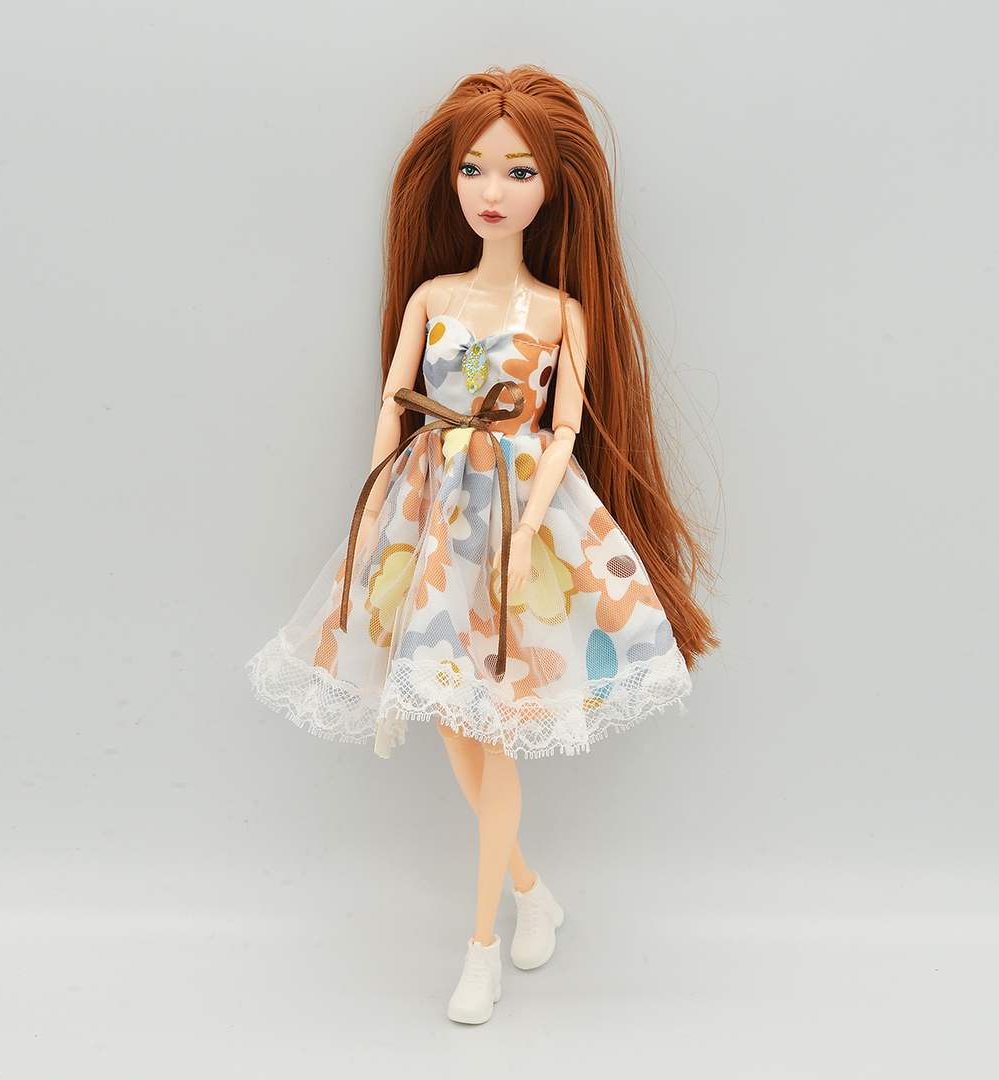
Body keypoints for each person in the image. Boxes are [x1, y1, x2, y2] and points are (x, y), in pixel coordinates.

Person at [248, 66, 717, 1024]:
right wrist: (376, 509)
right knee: (457, 725)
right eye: (473, 169)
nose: (492, 192)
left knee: (486, 724)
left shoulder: (561, 312)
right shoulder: (432, 296)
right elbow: (395, 404)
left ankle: (482, 947)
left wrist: (527, 529)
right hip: (429, 513)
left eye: (517, 172)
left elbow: (564, 431)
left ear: (554, 188)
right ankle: (531, 892)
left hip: (516, 520)